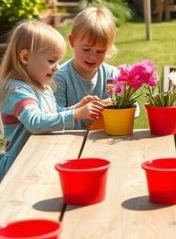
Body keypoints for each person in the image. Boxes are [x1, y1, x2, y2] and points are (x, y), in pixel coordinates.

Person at [0, 20, 103, 182]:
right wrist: (75, 114)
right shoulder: (18, 91)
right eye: (51, 61)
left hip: (38, 161)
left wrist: (77, 107)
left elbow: (53, 113)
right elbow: (35, 122)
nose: (57, 67)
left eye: (58, 61)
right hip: (18, 168)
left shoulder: (42, 87)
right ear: (26, 57)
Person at [54, 5, 118, 128]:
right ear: (72, 41)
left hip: (104, 139)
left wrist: (114, 105)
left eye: (100, 51)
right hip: (70, 142)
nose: (92, 57)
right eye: (86, 49)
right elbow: (53, 116)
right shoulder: (60, 77)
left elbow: (134, 109)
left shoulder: (111, 74)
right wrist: (78, 110)